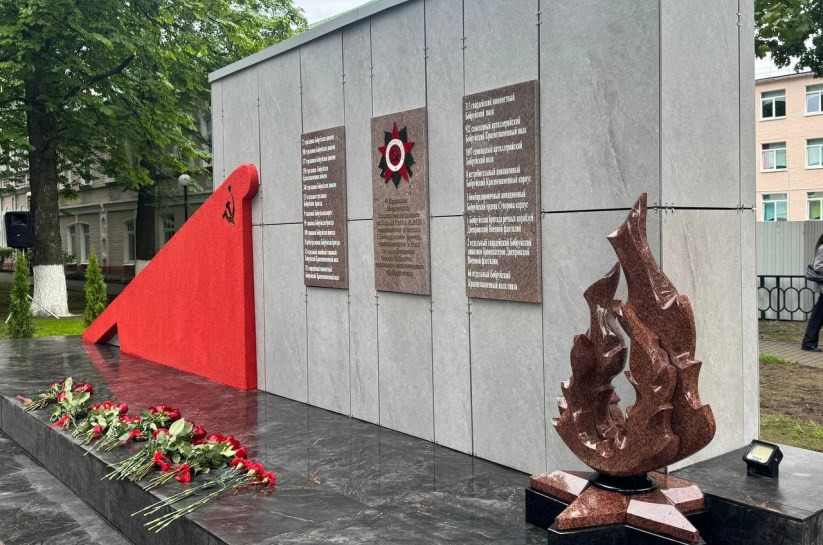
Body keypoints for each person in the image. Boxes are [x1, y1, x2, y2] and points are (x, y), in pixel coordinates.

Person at [802, 233, 823, 351]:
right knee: (817, 316)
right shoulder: (822, 248)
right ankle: (808, 343)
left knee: (818, 316)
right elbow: (818, 267)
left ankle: (808, 342)